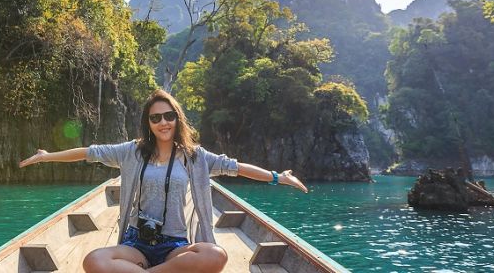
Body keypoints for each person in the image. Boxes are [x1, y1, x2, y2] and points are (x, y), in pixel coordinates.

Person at [19, 89, 308, 273]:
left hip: (175, 248)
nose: (163, 122)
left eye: (169, 116)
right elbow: (89, 153)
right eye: (155, 118)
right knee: (93, 261)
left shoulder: (196, 157)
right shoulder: (132, 152)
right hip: (138, 244)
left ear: (177, 118)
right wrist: (47, 156)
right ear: (148, 123)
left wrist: (276, 177)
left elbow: (237, 168)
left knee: (215, 255)